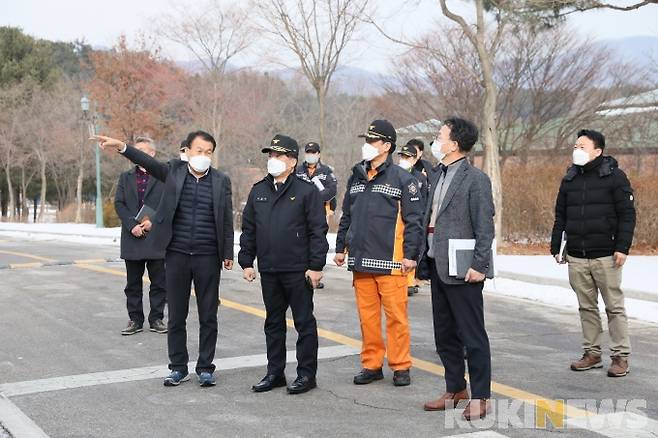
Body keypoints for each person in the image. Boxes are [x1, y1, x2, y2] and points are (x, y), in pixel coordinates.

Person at [92, 131, 234, 388]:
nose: (203, 156)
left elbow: (226, 218)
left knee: (208, 315)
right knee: (177, 315)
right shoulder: (174, 173)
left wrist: (227, 253)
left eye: (208, 152)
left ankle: (205, 368)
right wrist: (122, 147)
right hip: (177, 255)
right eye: (199, 150)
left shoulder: (221, 181)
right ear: (187, 151)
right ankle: (178, 367)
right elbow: (148, 162)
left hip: (207, 256)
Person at [334, 120, 423, 387]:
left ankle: (400, 365)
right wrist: (340, 247)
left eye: (373, 141)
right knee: (368, 319)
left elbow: (414, 221)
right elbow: (347, 215)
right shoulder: (356, 177)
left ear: (386, 146)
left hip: (392, 262)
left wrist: (410, 255)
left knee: (396, 318)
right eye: (367, 140)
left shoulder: (403, 180)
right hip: (361, 261)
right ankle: (371, 365)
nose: (367, 145)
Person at [239, 134, 329, 395]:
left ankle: (306, 375)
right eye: (270, 155)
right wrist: (247, 260)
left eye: (278, 155)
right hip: (269, 269)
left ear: (292, 161)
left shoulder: (306, 191)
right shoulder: (259, 190)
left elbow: (317, 230)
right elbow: (249, 229)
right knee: (273, 323)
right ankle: (275, 372)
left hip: (298, 270)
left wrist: (315, 266)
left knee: (303, 323)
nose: (272, 160)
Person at [421, 117, 494, 421]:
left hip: (464, 269)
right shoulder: (438, 174)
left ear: (454, 143)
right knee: (445, 334)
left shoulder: (475, 179)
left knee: (472, 335)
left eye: (440, 136)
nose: (435, 141)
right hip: (438, 263)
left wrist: (480, 264)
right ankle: (455, 389)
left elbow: (484, 225)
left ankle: (480, 396)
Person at [551, 129, 636, 378]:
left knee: (614, 307)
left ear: (597, 151)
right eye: (575, 146)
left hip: (606, 255)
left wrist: (622, 247)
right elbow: (561, 215)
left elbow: (627, 215)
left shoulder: (615, 177)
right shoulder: (570, 178)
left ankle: (620, 356)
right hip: (577, 254)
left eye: (582, 146)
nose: (576, 150)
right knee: (586, 307)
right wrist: (556, 245)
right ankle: (592, 353)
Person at [114, 136, 167, 336]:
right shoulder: (125, 177)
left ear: (152, 153)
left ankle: (157, 319)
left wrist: (154, 221)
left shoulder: (164, 176)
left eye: (144, 150)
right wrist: (131, 225)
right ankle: (135, 319)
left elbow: (169, 203)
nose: (140, 154)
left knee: (159, 282)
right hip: (132, 236)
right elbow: (119, 203)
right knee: (133, 284)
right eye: (137, 150)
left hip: (156, 237)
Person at [295, 141, 337, 289]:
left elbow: (332, 190)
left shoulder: (326, 171)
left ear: (318, 154)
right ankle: (301, 272)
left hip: (319, 210)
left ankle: (316, 274)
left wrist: (315, 198)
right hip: (299, 211)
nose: (310, 155)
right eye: (308, 152)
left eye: (313, 152)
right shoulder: (298, 170)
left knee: (318, 241)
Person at [396, 143, 428, 296]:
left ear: (415, 159)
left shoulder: (420, 177)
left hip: (415, 216)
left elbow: (425, 199)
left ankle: (409, 281)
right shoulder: (393, 174)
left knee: (413, 246)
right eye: (402, 156)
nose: (404, 159)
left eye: (407, 157)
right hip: (397, 217)